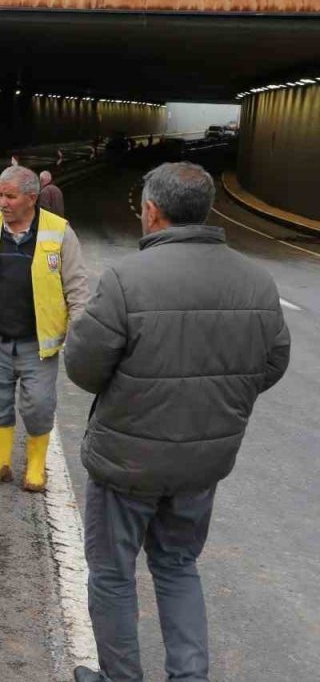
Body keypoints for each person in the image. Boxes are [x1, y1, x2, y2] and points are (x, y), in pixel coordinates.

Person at [64, 162, 290, 682]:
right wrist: (218, 402)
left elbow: (83, 367)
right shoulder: (257, 281)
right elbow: (272, 363)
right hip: (201, 465)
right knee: (177, 566)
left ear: (151, 211)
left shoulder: (125, 280)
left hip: (126, 464)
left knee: (113, 575)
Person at [0, 165, 90, 492]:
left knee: (39, 404)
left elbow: (78, 290)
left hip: (37, 344)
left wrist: (81, 332)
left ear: (31, 198)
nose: (2, 202)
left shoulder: (59, 232)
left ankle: (36, 467)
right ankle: (0, 464)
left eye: (10, 196)